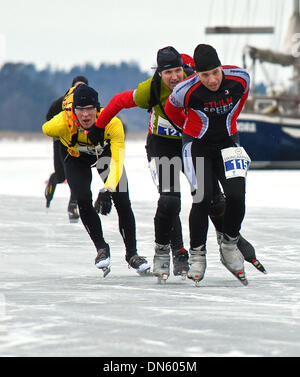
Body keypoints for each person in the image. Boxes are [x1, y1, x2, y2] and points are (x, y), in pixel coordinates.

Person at [88, 46, 265, 283]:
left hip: (194, 143)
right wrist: (99, 127)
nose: (174, 77)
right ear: (159, 73)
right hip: (164, 146)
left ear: (187, 70)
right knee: (171, 199)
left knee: (212, 199)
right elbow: (119, 101)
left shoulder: (197, 81)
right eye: (168, 72)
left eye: (178, 71)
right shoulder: (149, 90)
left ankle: (234, 242)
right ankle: (170, 250)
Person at [165, 43, 253, 285]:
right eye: (205, 75)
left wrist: (229, 124)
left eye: (215, 72)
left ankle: (229, 244)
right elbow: (171, 110)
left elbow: (240, 102)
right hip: (197, 144)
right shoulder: (186, 90)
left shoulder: (240, 78)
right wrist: (188, 127)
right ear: (197, 74)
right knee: (202, 199)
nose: (212, 80)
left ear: (221, 67)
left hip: (228, 141)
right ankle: (197, 255)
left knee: (237, 195)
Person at [42, 84, 151, 276]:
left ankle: (132, 254)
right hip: (75, 157)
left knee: (123, 201)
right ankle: (101, 248)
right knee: (82, 198)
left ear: (98, 109)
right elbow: (46, 128)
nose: (85, 115)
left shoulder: (112, 123)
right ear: (73, 110)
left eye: (90, 109)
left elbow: (117, 160)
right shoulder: (60, 123)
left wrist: (108, 189)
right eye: (80, 110)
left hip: (105, 156)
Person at [44, 75, 89, 222]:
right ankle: (51, 186)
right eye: (76, 86)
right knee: (61, 175)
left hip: (78, 143)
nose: (78, 89)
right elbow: (48, 118)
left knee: (76, 176)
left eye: (82, 86)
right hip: (60, 141)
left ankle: (73, 206)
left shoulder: (90, 102)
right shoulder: (61, 102)